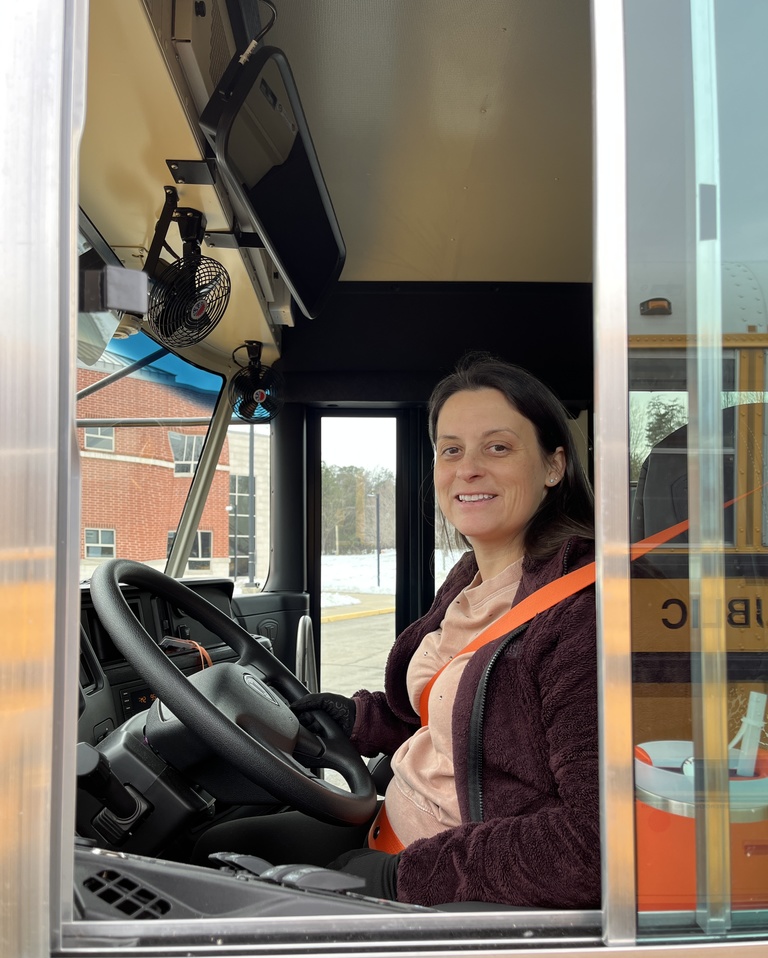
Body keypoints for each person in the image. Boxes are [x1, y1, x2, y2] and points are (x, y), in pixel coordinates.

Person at [196, 352, 599, 909]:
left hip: (456, 882)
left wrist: (399, 880)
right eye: (450, 449)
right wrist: (361, 719)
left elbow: (595, 843)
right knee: (211, 848)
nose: (468, 468)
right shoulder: (472, 577)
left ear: (553, 467)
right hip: (390, 820)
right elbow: (453, 713)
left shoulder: (582, 611)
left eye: (498, 447)